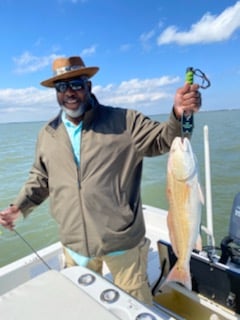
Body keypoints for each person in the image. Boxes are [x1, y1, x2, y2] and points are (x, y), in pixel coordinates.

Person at [0, 56, 201, 305]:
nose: (70, 92)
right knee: (84, 304)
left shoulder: (125, 121)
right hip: (74, 244)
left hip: (123, 243)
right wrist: (18, 206)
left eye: (76, 83)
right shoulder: (47, 133)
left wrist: (179, 115)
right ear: (55, 92)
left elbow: (164, 139)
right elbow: (40, 178)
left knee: (134, 306)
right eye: (62, 86)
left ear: (89, 86)